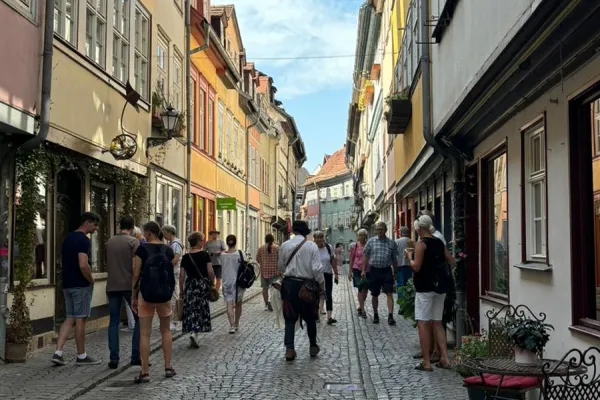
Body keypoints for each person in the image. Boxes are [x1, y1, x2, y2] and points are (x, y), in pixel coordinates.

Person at [51, 212, 102, 366]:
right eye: (94, 225)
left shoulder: (67, 238)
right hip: (80, 285)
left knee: (70, 317)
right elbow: (82, 264)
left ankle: (58, 352)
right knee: (80, 319)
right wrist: (91, 279)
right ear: (87, 223)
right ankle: (81, 356)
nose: (96, 229)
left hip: (67, 284)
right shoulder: (83, 241)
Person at [131, 221, 177, 383]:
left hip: (146, 294)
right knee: (166, 331)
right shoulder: (168, 250)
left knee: (145, 334)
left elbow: (136, 275)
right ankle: (168, 367)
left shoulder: (142, 250)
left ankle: (144, 372)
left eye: (144, 232)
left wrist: (133, 295)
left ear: (149, 233)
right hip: (164, 295)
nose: (143, 235)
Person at [408, 214, 455, 371]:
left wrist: (409, 257)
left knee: (422, 322)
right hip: (440, 288)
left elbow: (416, 267)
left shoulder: (421, 244)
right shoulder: (439, 242)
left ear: (420, 228)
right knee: (437, 323)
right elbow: (452, 261)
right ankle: (445, 359)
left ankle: (427, 362)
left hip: (425, 288)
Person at [278, 220, 324, 361]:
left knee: (290, 318)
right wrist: (321, 285)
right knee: (310, 316)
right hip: (307, 286)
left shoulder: (284, 245)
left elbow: (280, 266)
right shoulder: (311, 246)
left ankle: (290, 349)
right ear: (306, 231)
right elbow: (317, 268)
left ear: (293, 231)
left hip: (290, 285)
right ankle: (312, 346)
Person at [105, 216, 140, 369]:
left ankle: (114, 358)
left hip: (112, 285)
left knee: (113, 322)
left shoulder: (109, 242)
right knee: (139, 320)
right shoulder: (133, 242)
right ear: (132, 227)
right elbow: (135, 266)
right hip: (128, 285)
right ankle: (135, 356)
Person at [180, 232, 214, 348]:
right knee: (200, 308)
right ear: (199, 242)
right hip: (201, 285)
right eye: (202, 240)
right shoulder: (205, 255)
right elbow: (210, 272)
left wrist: (181, 289)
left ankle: (192, 332)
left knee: (191, 309)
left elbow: (181, 275)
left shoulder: (185, 257)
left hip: (190, 285)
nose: (203, 242)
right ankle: (195, 333)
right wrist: (212, 283)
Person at [362, 221, 398, 325]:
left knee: (389, 293)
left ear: (386, 230)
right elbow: (365, 256)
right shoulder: (371, 242)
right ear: (375, 231)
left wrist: (395, 271)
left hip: (387, 270)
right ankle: (375, 314)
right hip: (374, 270)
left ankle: (390, 316)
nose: (380, 231)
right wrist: (364, 270)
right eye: (378, 229)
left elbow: (394, 259)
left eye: (382, 229)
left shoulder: (391, 243)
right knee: (375, 294)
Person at [220, 235, 246, 334]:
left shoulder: (222, 255)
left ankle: (231, 326)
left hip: (227, 282)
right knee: (238, 304)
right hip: (238, 282)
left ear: (227, 242)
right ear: (235, 242)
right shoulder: (240, 253)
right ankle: (236, 323)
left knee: (229, 304)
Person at [313, 231, 339, 325]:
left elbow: (332, 261)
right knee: (316, 295)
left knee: (328, 294)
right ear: (314, 239)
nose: (319, 239)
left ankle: (329, 317)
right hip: (316, 275)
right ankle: (316, 316)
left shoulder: (329, 247)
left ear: (323, 238)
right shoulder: (312, 248)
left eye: (321, 237)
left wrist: (336, 273)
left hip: (327, 274)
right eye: (317, 237)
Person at [161, 225, 183, 331]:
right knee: (173, 295)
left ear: (169, 232)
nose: (164, 235)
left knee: (173, 295)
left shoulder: (175, 244)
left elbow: (175, 259)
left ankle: (174, 321)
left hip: (173, 272)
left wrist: (166, 269)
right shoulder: (173, 243)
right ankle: (173, 321)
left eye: (164, 232)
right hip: (173, 272)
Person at [255, 234, 280, 311]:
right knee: (274, 289)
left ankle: (266, 304)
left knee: (265, 289)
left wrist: (264, 264)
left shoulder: (261, 248)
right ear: (273, 239)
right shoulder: (277, 248)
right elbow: (280, 259)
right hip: (275, 272)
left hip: (264, 272)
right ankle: (272, 302)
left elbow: (257, 259)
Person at [348, 229, 369, 318]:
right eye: (360, 235)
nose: (362, 236)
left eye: (363, 235)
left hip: (367, 269)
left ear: (366, 236)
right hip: (356, 269)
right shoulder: (355, 246)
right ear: (358, 236)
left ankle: (360, 306)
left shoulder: (368, 245)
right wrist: (349, 271)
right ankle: (363, 310)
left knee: (366, 290)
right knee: (361, 289)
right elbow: (351, 259)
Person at [395, 226, 413, 303]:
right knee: (408, 285)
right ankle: (407, 302)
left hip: (399, 266)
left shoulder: (397, 242)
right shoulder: (411, 241)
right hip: (409, 266)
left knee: (400, 285)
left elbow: (394, 255)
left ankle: (401, 303)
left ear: (401, 233)